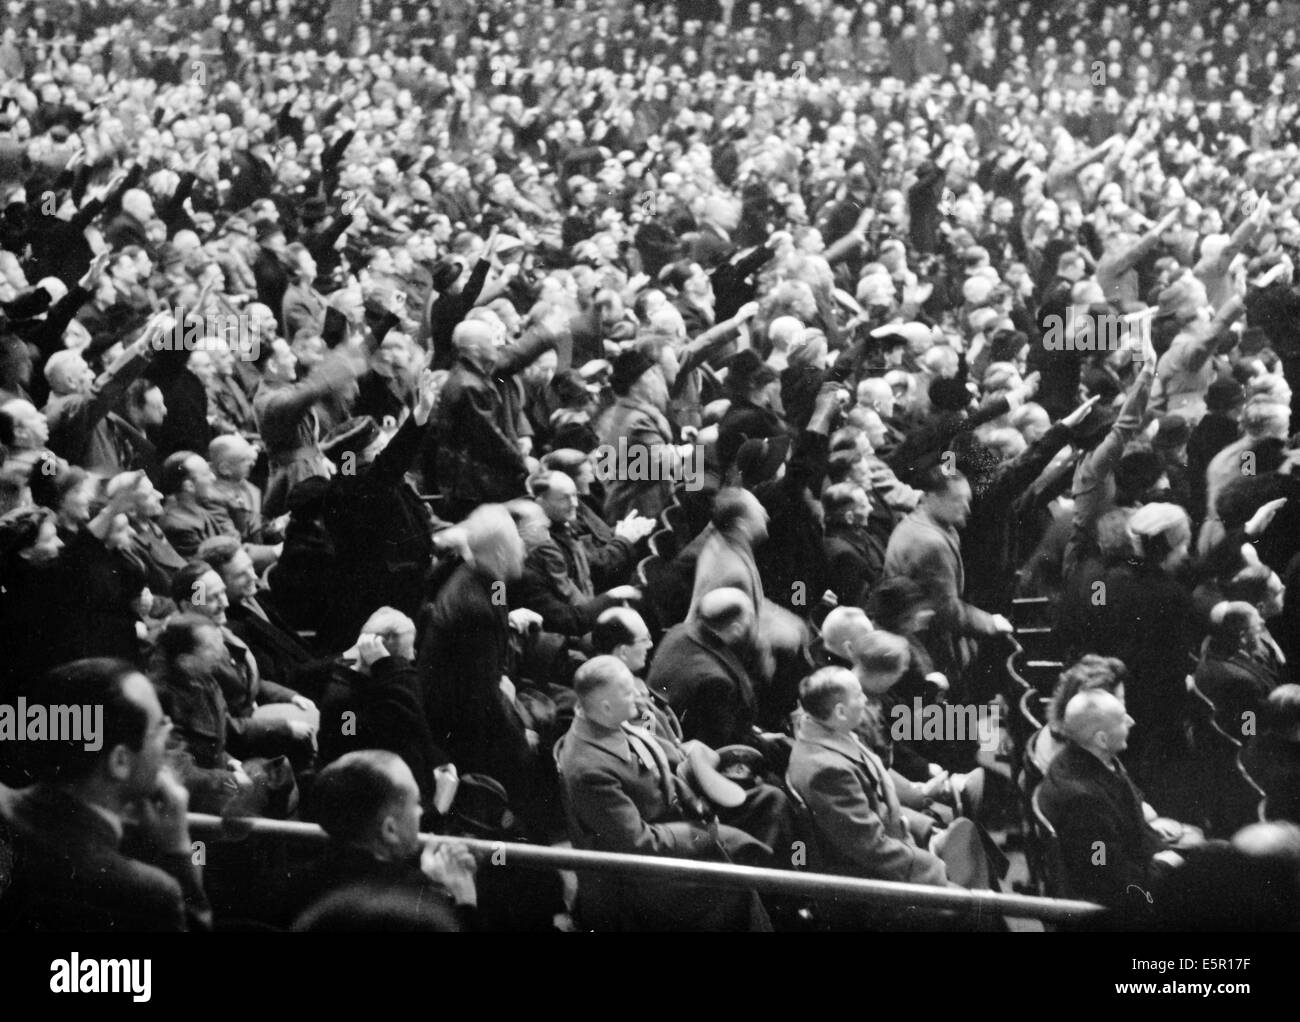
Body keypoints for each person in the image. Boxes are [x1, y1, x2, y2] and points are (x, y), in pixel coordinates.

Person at [555, 655, 771, 931]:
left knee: (757, 832)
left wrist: (696, 804)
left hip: (672, 827)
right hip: (644, 877)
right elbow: (636, 842)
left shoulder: (605, 721)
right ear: (606, 706)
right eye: (627, 691)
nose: (637, 694)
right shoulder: (589, 770)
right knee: (738, 883)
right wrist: (700, 833)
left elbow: (657, 769)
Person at [0, 658, 211, 931]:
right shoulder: (154, 893)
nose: (168, 742)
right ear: (120, 762)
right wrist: (182, 848)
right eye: (161, 728)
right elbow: (195, 924)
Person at [787, 667, 992, 894]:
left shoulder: (832, 733)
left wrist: (927, 829)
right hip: (875, 885)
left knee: (976, 864)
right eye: (857, 695)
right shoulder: (827, 771)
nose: (865, 699)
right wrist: (935, 867)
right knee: (981, 908)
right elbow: (872, 849)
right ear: (840, 712)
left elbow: (880, 804)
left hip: (898, 851)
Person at [1037, 690, 1201, 918]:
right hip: (1124, 907)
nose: (1131, 721)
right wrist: (1164, 865)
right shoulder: (1084, 802)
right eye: (1122, 719)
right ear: (1101, 739)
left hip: (1141, 863)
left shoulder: (1089, 760)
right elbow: (1104, 876)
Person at [290, 751, 477, 931]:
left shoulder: (294, 884)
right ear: (390, 830)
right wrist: (465, 898)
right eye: (416, 803)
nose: (421, 811)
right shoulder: (418, 910)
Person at [315, 608, 449, 811]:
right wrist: (390, 667)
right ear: (381, 650)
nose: (413, 655)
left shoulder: (380, 682)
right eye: (409, 648)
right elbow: (393, 727)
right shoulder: (345, 704)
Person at [650, 587, 762, 749]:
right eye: (750, 617)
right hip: (683, 749)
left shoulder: (678, 630)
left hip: (655, 726)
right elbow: (717, 745)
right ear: (736, 629)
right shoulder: (718, 681)